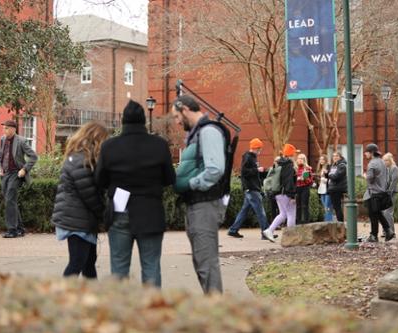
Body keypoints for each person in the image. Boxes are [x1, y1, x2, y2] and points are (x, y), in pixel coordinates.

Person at [95, 100, 176, 287]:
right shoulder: (159, 145)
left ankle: (123, 312)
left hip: (119, 211)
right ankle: (152, 311)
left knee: (119, 268)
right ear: (143, 122)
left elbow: (99, 180)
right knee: (151, 266)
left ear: (123, 121)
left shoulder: (109, 146)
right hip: (150, 211)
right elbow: (169, 179)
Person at [171, 94, 228, 294]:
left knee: (206, 263)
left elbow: (215, 169)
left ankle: (216, 313)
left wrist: (190, 183)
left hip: (204, 204)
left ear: (185, 109)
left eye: (177, 116)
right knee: (202, 263)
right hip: (198, 205)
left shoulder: (208, 131)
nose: (177, 122)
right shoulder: (199, 132)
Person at [52, 122, 108, 278]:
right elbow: (89, 194)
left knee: (88, 263)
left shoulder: (79, 157)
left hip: (78, 219)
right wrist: (104, 215)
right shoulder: (81, 160)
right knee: (77, 263)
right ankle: (62, 298)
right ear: (96, 139)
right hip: (77, 221)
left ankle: (90, 299)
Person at [0, 119, 38, 238]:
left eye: (6, 128)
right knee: (10, 200)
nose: (4, 130)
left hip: (16, 173)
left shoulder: (21, 141)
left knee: (10, 198)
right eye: (4, 127)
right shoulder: (3, 139)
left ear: (13, 129)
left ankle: (12, 230)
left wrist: (24, 169)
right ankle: (20, 228)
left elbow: (34, 157)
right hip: (5, 173)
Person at [228, 138, 269, 239]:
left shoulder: (251, 157)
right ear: (256, 148)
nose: (260, 151)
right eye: (259, 149)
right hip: (251, 188)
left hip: (251, 188)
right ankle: (266, 233)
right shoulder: (248, 157)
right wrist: (257, 170)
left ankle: (233, 230)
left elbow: (249, 172)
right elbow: (244, 172)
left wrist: (260, 171)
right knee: (260, 211)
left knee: (244, 210)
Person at [262, 144, 297, 242]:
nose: (295, 156)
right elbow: (289, 181)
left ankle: (269, 230)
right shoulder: (289, 165)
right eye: (294, 153)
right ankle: (291, 237)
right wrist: (292, 195)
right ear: (291, 154)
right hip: (285, 193)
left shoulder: (279, 163)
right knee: (291, 214)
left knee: (283, 214)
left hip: (277, 193)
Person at [363, 144, 394, 242]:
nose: (365, 154)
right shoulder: (382, 162)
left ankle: (374, 235)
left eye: (366, 152)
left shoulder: (372, 163)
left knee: (373, 214)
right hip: (382, 192)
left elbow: (370, 178)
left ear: (371, 153)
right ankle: (387, 231)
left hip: (373, 193)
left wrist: (365, 176)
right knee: (377, 213)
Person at [382, 153, 398, 237]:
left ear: (390, 160)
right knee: (383, 212)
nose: (384, 162)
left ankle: (392, 232)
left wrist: (389, 192)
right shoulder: (385, 169)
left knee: (388, 213)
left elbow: (394, 181)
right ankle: (386, 231)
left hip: (392, 193)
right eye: (384, 160)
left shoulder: (394, 168)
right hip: (385, 193)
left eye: (386, 160)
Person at [326, 151, 347, 222]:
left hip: (338, 188)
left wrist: (328, 174)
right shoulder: (333, 165)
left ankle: (341, 224)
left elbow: (335, 176)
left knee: (337, 207)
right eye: (333, 156)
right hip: (332, 188)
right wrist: (327, 174)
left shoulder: (342, 165)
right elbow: (330, 176)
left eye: (336, 156)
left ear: (340, 157)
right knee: (335, 207)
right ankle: (339, 223)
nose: (335, 157)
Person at [295, 153, 313, 224]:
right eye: (299, 158)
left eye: (301, 159)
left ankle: (306, 221)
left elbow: (311, 181)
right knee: (298, 205)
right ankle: (298, 221)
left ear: (304, 160)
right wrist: (297, 179)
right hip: (297, 188)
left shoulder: (308, 168)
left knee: (305, 205)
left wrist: (304, 179)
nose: (300, 160)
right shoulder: (295, 168)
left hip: (305, 187)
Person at [316, 155, 333, 221]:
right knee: (324, 207)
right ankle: (327, 222)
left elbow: (331, 177)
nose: (321, 161)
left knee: (327, 207)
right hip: (321, 189)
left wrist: (326, 179)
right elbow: (318, 178)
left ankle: (329, 223)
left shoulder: (329, 167)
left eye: (323, 159)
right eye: (320, 159)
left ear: (326, 160)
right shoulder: (319, 168)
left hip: (327, 189)